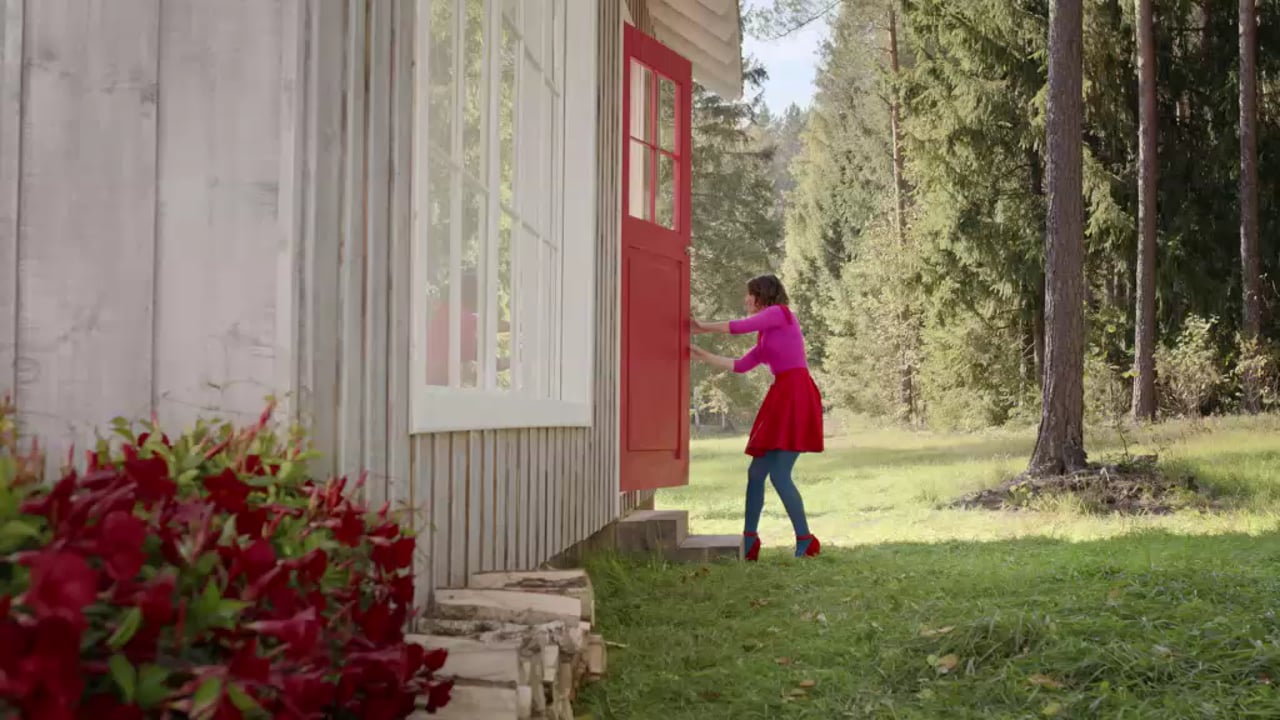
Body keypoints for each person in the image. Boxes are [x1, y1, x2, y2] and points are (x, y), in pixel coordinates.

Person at [691, 274, 823, 561]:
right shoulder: (766, 337)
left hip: (796, 395)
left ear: (761, 295)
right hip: (781, 396)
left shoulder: (780, 313)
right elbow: (740, 365)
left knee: (780, 475)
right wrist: (703, 355)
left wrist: (702, 326)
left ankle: (806, 540)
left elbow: (739, 327)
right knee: (756, 473)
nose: (746, 299)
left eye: (749, 294)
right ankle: (749, 541)